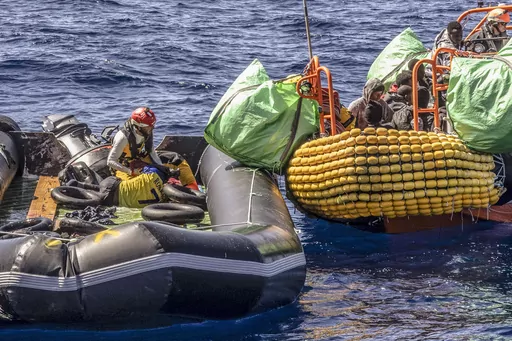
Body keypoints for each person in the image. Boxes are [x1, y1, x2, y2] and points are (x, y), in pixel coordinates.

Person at [107, 107, 200, 190]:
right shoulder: (123, 137)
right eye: (148, 128)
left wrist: (163, 169)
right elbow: (110, 161)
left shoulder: (147, 131)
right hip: (124, 167)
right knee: (144, 182)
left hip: (140, 159)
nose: (150, 130)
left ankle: (191, 187)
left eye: (151, 127)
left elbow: (151, 152)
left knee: (176, 160)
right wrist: (130, 171)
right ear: (138, 127)